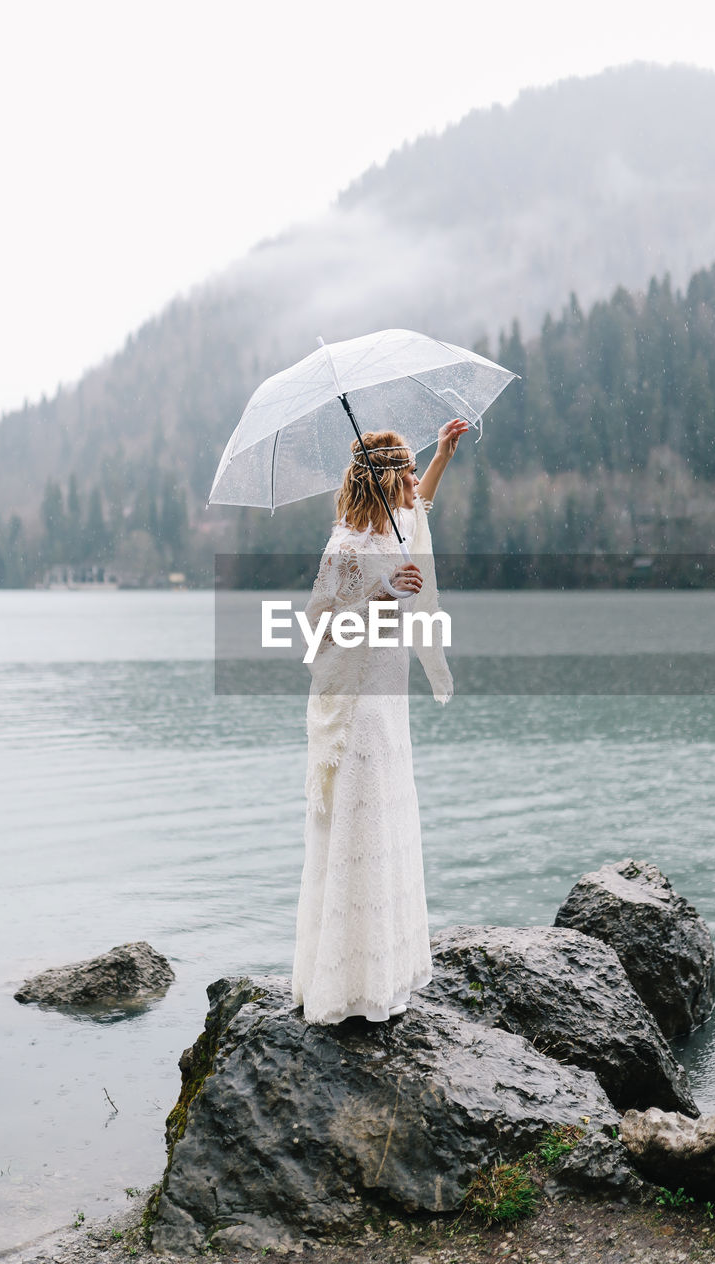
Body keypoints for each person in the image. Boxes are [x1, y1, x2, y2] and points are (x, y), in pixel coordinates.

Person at [292, 418, 469, 1024]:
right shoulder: (345, 548)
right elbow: (317, 631)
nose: (417, 482)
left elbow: (423, 507)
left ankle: (382, 973)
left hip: (391, 709)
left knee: (387, 827)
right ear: (387, 480)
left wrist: (443, 455)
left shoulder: (398, 528)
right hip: (359, 711)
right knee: (358, 835)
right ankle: (346, 988)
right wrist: (384, 596)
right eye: (411, 471)